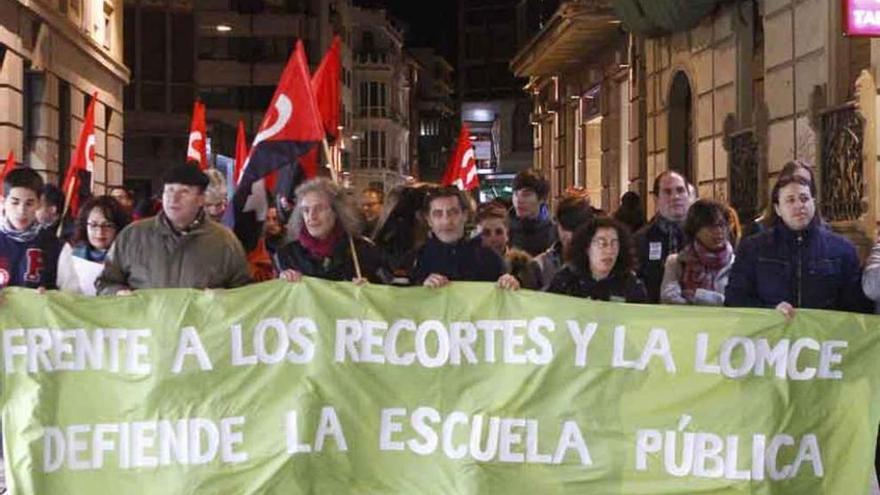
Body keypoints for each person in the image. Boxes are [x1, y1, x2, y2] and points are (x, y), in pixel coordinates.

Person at [725, 175, 871, 317]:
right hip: (771, 338)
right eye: (790, 200)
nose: (799, 205)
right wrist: (769, 311)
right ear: (778, 209)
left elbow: (857, 305)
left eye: (804, 199)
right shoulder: (753, 248)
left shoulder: (842, 249)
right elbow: (735, 298)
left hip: (825, 338)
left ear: (813, 203)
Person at [96, 164, 251, 293]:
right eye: (168, 190)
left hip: (200, 328)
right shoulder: (133, 236)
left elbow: (243, 291)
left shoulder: (224, 241)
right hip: (148, 327)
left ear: (201, 199)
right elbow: (106, 282)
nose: (173, 198)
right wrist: (117, 293)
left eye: (184, 192)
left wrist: (224, 298)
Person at [276, 178, 389, 284]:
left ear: (336, 211)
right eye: (306, 210)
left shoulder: (363, 251)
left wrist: (370, 289)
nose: (311, 216)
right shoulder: (288, 255)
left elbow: (385, 296)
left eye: (319, 209)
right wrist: (282, 284)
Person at [411, 186, 517, 290]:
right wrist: (420, 288)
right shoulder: (414, 261)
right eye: (438, 214)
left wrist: (509, 284)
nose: (446, 221)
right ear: (428, 219)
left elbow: (504, 302)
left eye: (453, 212)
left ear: (465, 215)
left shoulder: (489, 258)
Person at [548, 217, 647, 302]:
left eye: (614, 243)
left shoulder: (631, 285)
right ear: (587, 247)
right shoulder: (565, 281)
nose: (609, 251)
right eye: (602, 243)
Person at [660, 199, 735, 306]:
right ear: (696, 229)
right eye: (711, 226)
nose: (719, 231)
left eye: (722, 225)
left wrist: (698, 296)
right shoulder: (678, 262)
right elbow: (669, 298)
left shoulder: (735, 264)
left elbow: (734, 301)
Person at [634, 170, 692, 303]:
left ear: (688, 195)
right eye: (667, 192)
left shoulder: (703, 236)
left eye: (680, 190)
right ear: (656, 199)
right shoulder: (640, 240)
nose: (675, 197)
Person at [0, 168, 63, 289]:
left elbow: (71, 295)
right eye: (15, 202)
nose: (21, 210)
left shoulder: (54, 246)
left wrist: (51, 296)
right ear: (3, 202)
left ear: (39, 204)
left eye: (29, 203)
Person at [56, 196, 130, 295]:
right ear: (84, 226)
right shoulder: (72, 256)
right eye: (94, 225)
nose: (100, 232)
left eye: (108, 225)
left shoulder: (128, 259)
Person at [528, 193, 594, 290]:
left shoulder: (602, 263)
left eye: (577, 229)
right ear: (558, 225)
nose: (571, 236)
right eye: (566, 227)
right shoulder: (540, 265)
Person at [475, 202, 534, 288]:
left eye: (499, 232)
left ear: (507, 234)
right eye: (486, 233)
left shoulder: (523, 264)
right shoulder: (467, 264)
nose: (493, 239)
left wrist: (519, 284)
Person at [509, 170, 556, 256]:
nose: (518, 200)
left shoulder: (554, 231)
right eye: (515, 194)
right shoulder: (504, 230)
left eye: (526, 194)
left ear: (542, 198)